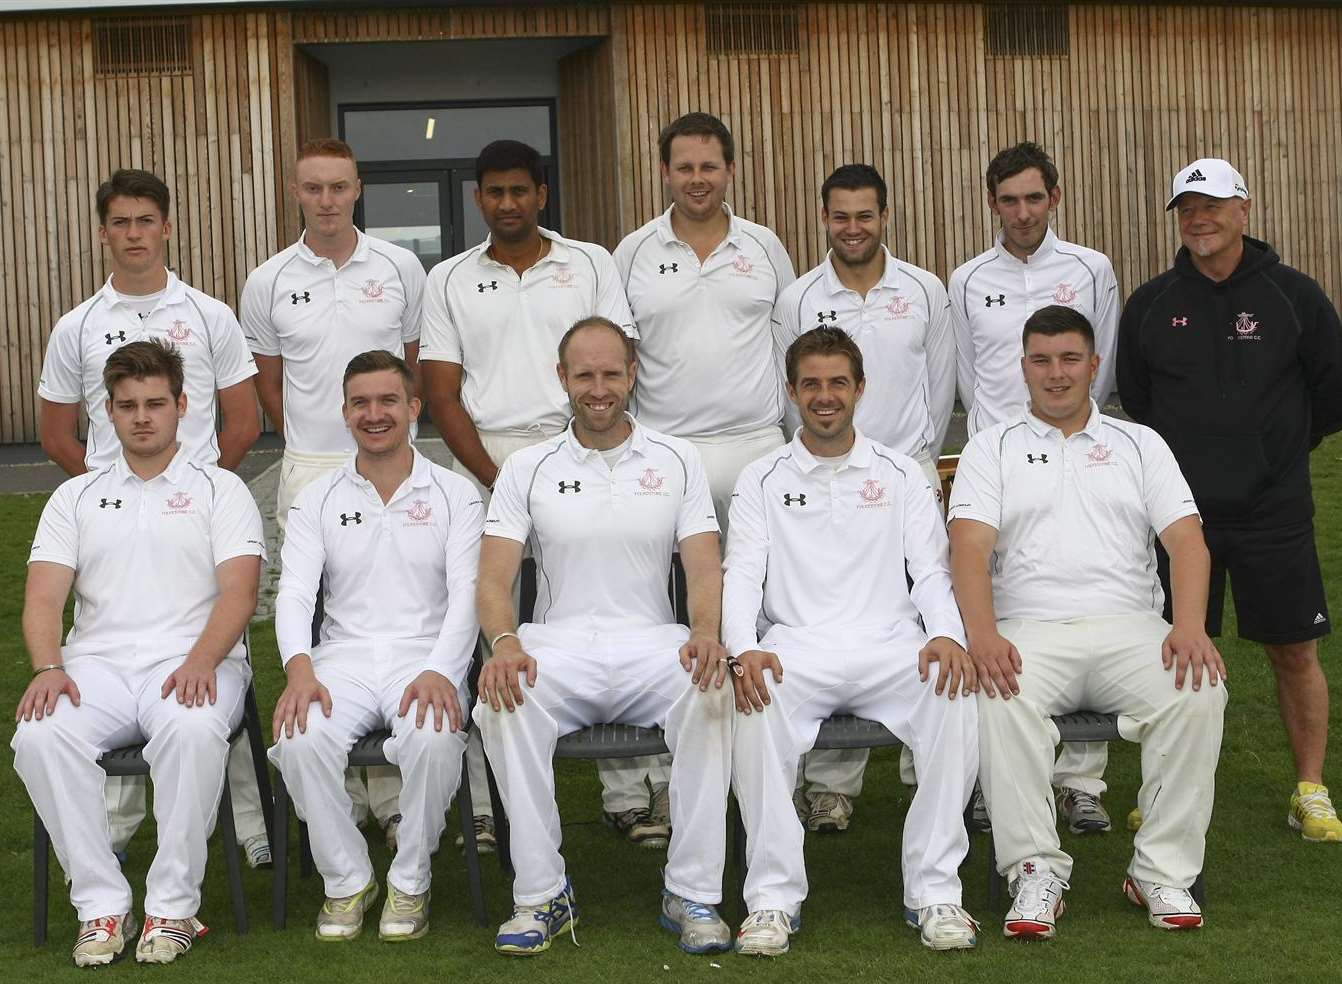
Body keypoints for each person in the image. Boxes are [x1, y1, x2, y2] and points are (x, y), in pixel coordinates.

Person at [949, 305, 1227, 937]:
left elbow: (1187, 543)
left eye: (1070, 359)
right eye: (1041, 361)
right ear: (1023, 368)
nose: (1056, 374)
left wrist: (1188, 626)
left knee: (1198, 686)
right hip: (1029, 630)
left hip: (1131, 626)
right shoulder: (992, 446)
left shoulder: (1139, 442)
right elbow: (967, 548)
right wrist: (984, 635)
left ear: (1094, 366)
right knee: (998, 693)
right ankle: (1033, 872)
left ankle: (1161, 871)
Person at [474, 317, 733, 956]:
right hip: (558, 648)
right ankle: (541, 893)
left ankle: (691, 891)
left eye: (611, 373)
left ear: (632, 375)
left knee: (711, 692)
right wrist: (505, 642)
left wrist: (705, 633)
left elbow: (703, 564)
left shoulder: (678, 459)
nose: (598, 388)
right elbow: (492, 579)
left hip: (652, 644)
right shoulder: (526, 467)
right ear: (562, 379)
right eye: (584, 374)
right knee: (502, 701)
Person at [36, 168, 269, 867]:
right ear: (103, 232)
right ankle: (119, 824)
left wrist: (193, 493)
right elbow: (55, 433)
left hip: (200, 523)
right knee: (118, 662)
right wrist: (111, 501)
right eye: (121, 222)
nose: (134, 234)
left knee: (213, 673)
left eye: (146, 221)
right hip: (115, 527)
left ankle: (253, 827)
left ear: (166, 227)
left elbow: (246, 419)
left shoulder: (208, 314)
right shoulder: (77, 325)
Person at [725, 326, 980, 956]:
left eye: (838, 382)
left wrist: (946, 634)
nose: (825, 396)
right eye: (810, 383)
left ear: (860, 389)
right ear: (791, 391)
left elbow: (930, 571)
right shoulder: (760, 478)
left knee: (954, 697)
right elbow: (741, 577)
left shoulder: (900, 473)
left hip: (890, 644)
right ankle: (771, 900)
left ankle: (935, 889)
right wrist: (741, 649)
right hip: (795, 649)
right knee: (752, 709)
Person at [14, 340, 265, 965]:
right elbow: (43, 599)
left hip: (193, 662)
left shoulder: (221, 489)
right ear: (108, 413)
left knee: (190, 726)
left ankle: (172, 908)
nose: (143, 417)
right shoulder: (74, 497)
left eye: (156, 403)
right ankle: (101, 906)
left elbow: (240, 591)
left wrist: (202, 661)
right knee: (39, 735)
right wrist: (49, 667)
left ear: (183, 406)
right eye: (128, 406)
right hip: (96, 667)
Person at [419, 139, 636, 852]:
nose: (507, 203)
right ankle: (485, 803)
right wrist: (496, 476)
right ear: (478, 199)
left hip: (586, 442)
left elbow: (613, 362)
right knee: (491, 621)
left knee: (613, 605)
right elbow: (442, 394)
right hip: (495, 457)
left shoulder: (592, 263)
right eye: (493, 192)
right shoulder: (448, 278)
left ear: (542, 194)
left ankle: (631, 793)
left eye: (519, 191)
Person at [1117, 158, 1342, 843]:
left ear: (1244, 209)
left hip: (1274, 511)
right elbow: (1139, 400)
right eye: (1186, 208)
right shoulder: (1152, 303)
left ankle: (1310, 789)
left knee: (1294, 652)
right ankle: (1168, 790)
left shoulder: (1294, 297)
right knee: (1179, 651)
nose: (1199, 218)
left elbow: (1330, 395)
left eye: (1212, 205)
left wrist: (1272, 455)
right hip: (1180, 519)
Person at [609, 112, 794, 845]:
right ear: (665, 172)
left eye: (708, 166)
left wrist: (783, 440)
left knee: (764, 607)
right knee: (655, 610)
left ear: (729, 170)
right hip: (662, 452)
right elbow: (622, 357)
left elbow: (788, 349)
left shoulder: (765, 248)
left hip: (754, 445)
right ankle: (642, 787)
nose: (696, 179)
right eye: (683, 167)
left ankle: (773, 769)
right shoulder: (632, 252)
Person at [242, 136, 427, 844]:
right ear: (297, 192)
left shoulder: (402, 267)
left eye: (338, 187)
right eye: (313, 188)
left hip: (385, 453)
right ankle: (337, 785)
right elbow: (268, 375)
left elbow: (405, 365)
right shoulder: (268, 279)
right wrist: (307, 437)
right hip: (311, 465)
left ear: (357, 189)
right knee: (319, 619)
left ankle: (390, 795)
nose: (326, 200)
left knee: (387, 612)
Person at [268, 351, 484, 942]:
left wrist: (444, 669)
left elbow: (469, 595)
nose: (375, 413)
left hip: (426, 654)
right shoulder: (316, 497)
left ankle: (411, 880)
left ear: (414, 408)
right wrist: (299, 669)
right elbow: (293, 594)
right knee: (299, 736)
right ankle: (347, 881)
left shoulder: (455, 494)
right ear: (344, 413)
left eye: (388, 400)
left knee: (435, 737)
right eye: (360, 402)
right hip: (345, 658)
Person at [771, 164, 954, 832]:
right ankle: (829, 786)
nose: (854, 228)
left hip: (904, 477)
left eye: (865, 215)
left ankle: (921, 776)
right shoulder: (797, 299)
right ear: (825, 218)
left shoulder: (925, 290)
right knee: (831, 617)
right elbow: (788, 387)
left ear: (885, 217)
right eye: (841, 216)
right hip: (822, 477)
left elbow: (939, 385)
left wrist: (917, 464)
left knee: (910, 622)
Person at [948, 141, 1121, 833]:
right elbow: (962, 373)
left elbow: (1097, 369)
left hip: (1074, 451)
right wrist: (992, 446)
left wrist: (1066, 431)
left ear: (1055, 196)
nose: (1022, 212)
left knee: (1083, 597)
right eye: (1008, 200)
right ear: (992, 204)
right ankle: (996, 777)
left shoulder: (1091, 269)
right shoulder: (965, 279)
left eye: (1033, 197)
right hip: (996, 461)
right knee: (990, 613)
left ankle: (1079, 782)